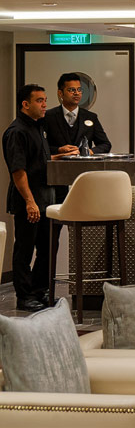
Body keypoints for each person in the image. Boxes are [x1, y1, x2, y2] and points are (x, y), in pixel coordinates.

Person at [2, 84, 76, 312]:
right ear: (25, 104)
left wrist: (60, 154)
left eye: (45, 100)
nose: (45, 105)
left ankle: (39, 290)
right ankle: (24, 296)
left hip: (47, 199)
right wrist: (30, 202)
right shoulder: (17, 131)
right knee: (24, 250)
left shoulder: (39, 127)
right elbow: (18, 171)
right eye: (39, 101)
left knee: (48, 248)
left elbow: (39, 160)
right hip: (29, 200)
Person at [44, 72, 111, 203]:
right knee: (57, 212)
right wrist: (59, 150)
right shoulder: (48, 117)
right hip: (57, 177)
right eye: (71, 90)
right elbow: (42, 146)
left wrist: (90, 152)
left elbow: (105, 144)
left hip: (84, 176)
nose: (76, 93)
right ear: (60, 93)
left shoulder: (91, 117)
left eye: (79, 90)